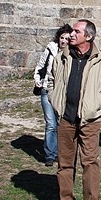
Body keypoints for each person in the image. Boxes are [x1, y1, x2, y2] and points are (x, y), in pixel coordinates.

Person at [49, 19, 101, 200]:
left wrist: (96, 103)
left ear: (88, 36)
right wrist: (56, 102)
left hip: (90, 120)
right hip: (66, 119)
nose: (71, 34)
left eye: (76, 31)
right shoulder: (62, 57)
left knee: (89, 163)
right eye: (72, 31)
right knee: (64, 164)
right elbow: (52, 80)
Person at [33, 24, 72, 166]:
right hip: (46, 89)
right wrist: (38, 80)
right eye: (62, 38)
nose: (63, 41)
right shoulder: (51, 49)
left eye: (67, 39)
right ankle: (50, 155)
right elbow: (40, 66)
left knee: (61, 123)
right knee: (50, 123)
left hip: (62, 92)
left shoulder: (72, 54)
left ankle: (59, 153)